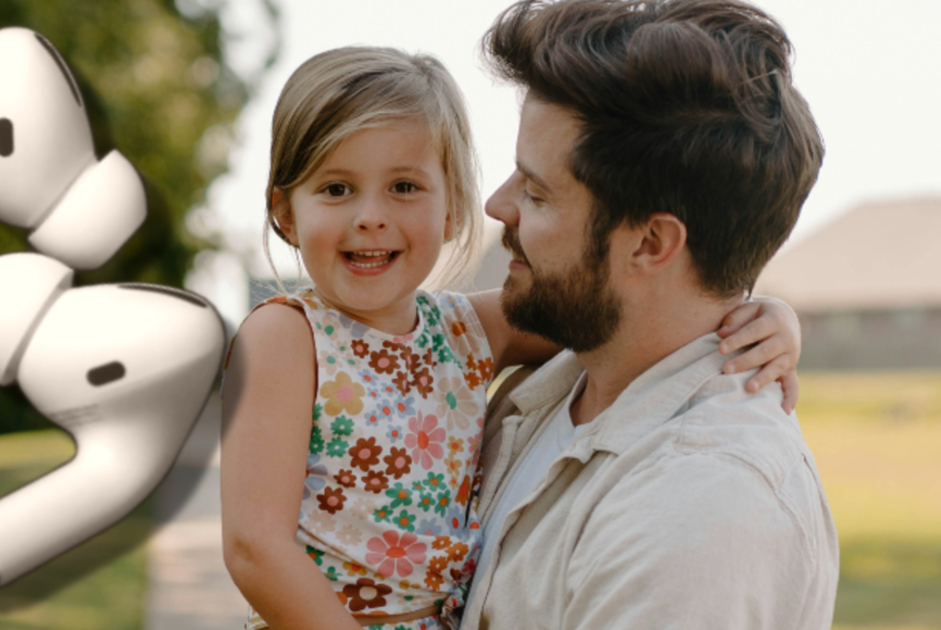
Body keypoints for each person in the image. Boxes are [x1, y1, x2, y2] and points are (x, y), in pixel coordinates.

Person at [220, 45, 803, 630]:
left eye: (403, 187)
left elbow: (621, 310)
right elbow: (256, 547)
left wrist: (761, 313)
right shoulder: (285, 338)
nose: (370, 216)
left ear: (451, 209)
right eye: (336, 189)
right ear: (285, 214)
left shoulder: (467, 331)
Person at [459, 0, 839, 629]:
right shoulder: (559, 382)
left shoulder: (702, 505)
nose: (499, 206)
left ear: (651, 244)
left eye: (537, 191)